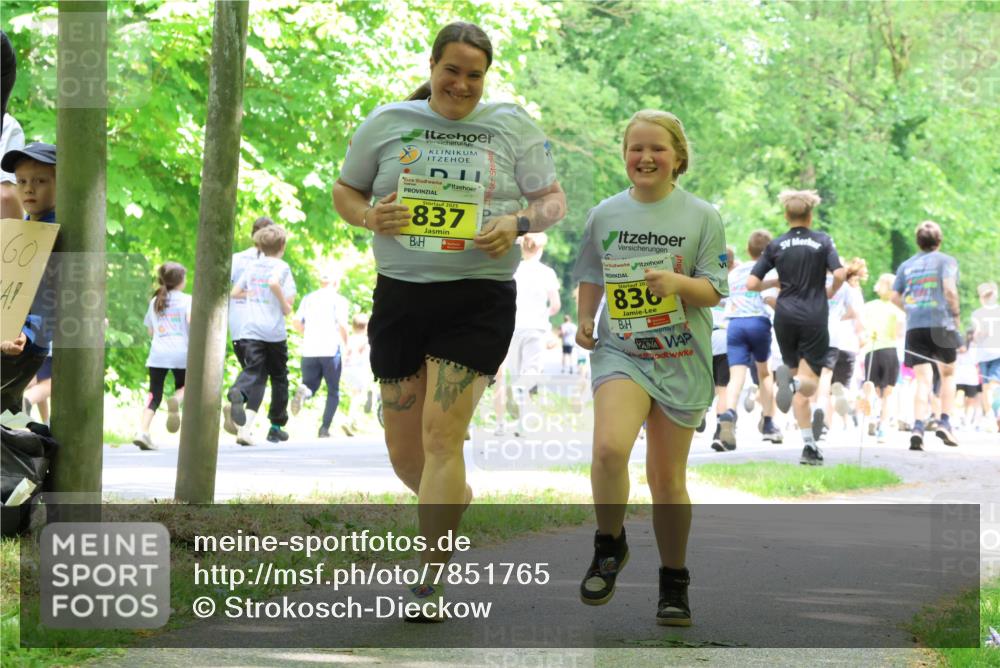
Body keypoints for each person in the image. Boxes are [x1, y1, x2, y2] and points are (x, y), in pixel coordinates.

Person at [331, 21, 565, 620]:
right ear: (432, 66)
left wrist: (516, 224)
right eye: (452, 70)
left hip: (478, 297)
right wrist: (369, 217)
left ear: (487, 76)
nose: (462, 84)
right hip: (401, 297)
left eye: (474, 74)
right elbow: (345, 191)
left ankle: (429, 579)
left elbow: (553, 203)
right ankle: (453, 498)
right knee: (405, 451)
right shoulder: (388, 123)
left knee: (443, 435)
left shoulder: (511, 126)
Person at [573, 109, 727, 626]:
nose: (645, 157)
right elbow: (591, 274)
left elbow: (714, 289)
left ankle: (674, 582)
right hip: (622, 350)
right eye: (635, 148)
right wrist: (583, 320)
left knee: (666, 480)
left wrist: (678, 285)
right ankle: (609, 544)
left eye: (657, 148)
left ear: (678, 157)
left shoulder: (702, 215)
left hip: (681, 355)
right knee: (609, 448)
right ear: (624, 156)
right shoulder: (606, 214)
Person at [747, 189, 845, 466]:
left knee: (795, 389)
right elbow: (839, 273)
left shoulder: (775, 245)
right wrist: (832, 290)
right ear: (810, 215)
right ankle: (793, 383)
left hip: (785, 315)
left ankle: (809, 446)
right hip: (814, 315)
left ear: (786, 215)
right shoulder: (823, 241)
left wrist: (774, 284)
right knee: (809, 385)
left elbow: (752, 284)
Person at [891, 220, 961, 450]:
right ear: (939, 240)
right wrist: (956, 316)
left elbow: (894, 297)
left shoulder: (905, 266)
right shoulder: (947, 261)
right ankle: (944, 422)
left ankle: (918, 427)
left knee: (923, 379)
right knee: (948, 375)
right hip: (941, 323)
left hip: (915, 326)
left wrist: (911, 310)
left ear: (918, 242)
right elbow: (950, 290)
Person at [0, 142, 58, 414]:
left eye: (40, 180)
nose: (28, 188)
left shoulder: (54, 233)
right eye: (21, 181)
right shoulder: (25, 227)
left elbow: (52, 294)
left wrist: (28, 330)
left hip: (24, 343)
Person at [226, 224, 296, 446]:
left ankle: (239, 390)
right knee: (279, 377)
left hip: (249, 329)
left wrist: (253, 294)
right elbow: (275, 284)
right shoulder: (282, 266)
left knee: (253, 369)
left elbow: (235, 292)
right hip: (273, 333)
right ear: (282, 246)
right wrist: (284, 304)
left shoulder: (253, 266)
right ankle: (277, 421)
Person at [718, 230, 782, 450]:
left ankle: (729, 413)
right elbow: (768, 299)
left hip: (734, 325)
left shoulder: (735, 273)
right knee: (765, 374)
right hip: (758, 323)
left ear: (748, 249)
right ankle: (769, 423)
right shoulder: (768, 272)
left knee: (736, 376)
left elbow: (722, 298)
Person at [494, 232, 560, 436]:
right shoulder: (547, 272)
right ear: (540, 249)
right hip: (535, 328)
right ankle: (522, 420)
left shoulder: (513, 270)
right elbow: (556, 305)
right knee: (531, 371)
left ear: (522, 248)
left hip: (513, 328)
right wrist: (545, 313)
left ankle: (510, 424)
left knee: (513, 375)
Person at [224, 215, 275, 434]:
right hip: (261, 325)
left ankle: (238, 414)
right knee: (260, 375)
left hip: (237, 326)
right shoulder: (275, 263)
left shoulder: (236, 259)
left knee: (251, 371)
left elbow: (223, 290)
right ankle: (245, 428)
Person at [133, 262, 191, 450]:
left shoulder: (155, 300)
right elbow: (191, 322)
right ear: (180, 280)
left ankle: (142, 431)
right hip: (181, 352)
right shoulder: (187, 300)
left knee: (154, 394)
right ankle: (176, 399)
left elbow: (150, 331)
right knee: (186, 386)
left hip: (158, 354)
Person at [290, 268, 349, 438]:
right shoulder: (338, 300)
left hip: (309, 349)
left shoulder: (308, 299)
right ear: (336, 283)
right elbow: (343, 325)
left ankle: (305, 392)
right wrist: (347, 344)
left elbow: (296, 321)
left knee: (310, 386)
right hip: (331, 350)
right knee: (333, 390)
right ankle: (324, 429)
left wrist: (307, 333)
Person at [861, 273, 904, 443]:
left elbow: (862, 327)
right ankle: (883, 428)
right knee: (888, 393)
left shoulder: (868, 306)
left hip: (871, 350)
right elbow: (898, 333)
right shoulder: (897, 309)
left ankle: (871, 417)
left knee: (872, 388)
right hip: (889, 350)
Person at [709, 247, 735, 451]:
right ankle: (720, 431)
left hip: (704, 339)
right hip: (725, 339)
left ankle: (698, 414)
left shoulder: (704, 281)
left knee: (703, 386)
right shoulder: (735, 283)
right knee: (723, 389)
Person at [971, 281, 1000, 430]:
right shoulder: (977, 314)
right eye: (985, 295)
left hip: (998, 354)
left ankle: (995, 415)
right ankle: (991, 416)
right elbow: (975, 338)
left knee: (993, 386)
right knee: (987, 387)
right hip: (983, 356)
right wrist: (982, 333)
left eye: (990, 294)